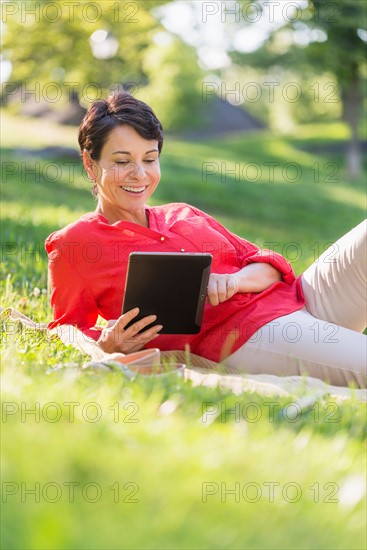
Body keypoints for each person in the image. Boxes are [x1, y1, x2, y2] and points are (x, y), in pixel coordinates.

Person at [45, 92, 366, 388]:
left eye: (149, 159)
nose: (139, 174)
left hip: (300, 297)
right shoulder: (74, 245)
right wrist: (108, 344)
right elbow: (66, 330)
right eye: (122, 161)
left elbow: (268, 263)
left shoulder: (182, 213)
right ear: (90, 163)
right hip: (246, 334)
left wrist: (236, 280)